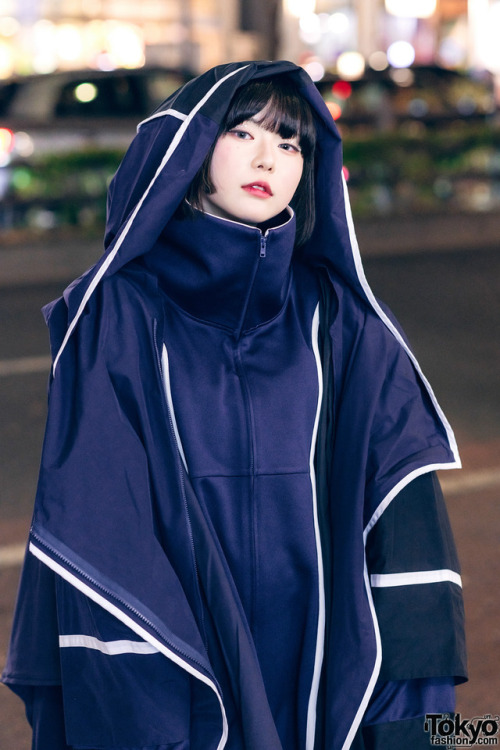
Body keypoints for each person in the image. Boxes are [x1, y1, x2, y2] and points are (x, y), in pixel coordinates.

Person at [2, 60, 466, 750]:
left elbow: (405, 533)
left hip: (326, 668)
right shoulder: (118, 318)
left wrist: (419, 732)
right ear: (192, 150)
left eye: (290, 143)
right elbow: (100, 538)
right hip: (181, 674)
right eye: (243, 132)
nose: (267, 158)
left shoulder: (341, 320)